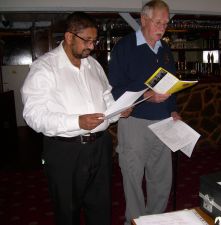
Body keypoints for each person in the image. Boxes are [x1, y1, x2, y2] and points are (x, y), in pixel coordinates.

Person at [21, 12, 131, 225]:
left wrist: (117, 110)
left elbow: (106, 96)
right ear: (69, 37)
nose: (91, 46)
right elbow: (33, 115)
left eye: (94, 40)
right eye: (87, 40)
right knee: (67, 212)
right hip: (65, 152)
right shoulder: (44, 68)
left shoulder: (93, 65)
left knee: (101, 209)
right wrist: (76, 122)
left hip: (100, 147)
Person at [108, 0, 181, 224]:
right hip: (135, 123)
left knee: (161, 179)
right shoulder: (124, 48)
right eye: (158, 22)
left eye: (165, 23)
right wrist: (147, 95)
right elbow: (115, 89)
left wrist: (174, 110)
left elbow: (171, 84)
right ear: (143, 19)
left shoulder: (165, 49)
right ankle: (136, 221)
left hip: (163, 122)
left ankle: (155, 220)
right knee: (133, 177)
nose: (162, 27)